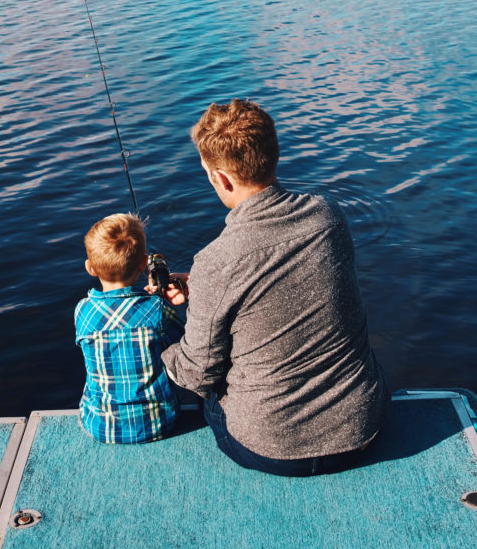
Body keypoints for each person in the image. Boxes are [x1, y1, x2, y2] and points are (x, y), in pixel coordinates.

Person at [159, 99, 389, 476]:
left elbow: (197, 376)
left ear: (222, 179)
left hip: (272, 448)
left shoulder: (217, 260)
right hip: (363, 427)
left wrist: (167, 350)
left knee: (202, 382)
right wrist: (201, 289)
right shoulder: (329, 216)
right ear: (273, 155)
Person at [75, 213, 184, 443]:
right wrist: (159, 301)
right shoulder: (158, 310)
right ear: (145, 265)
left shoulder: (82, 312)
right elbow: (182, 341)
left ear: (90, 268)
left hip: (99, 425)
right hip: (160, 422)